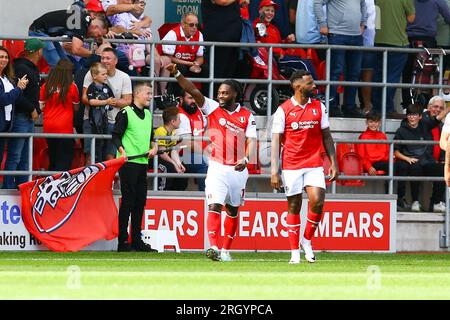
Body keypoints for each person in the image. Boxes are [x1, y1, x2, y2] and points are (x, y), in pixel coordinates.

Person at [166, 63, 257, 262]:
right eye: (219, 93)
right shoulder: (213, 108)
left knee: (232, 210)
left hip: (238, 169)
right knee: (214, 205)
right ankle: (214, 247)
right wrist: (177, 73)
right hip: (216, 166)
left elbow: (251, 140)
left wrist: (246, 158)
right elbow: (192, 90)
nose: (220, 96)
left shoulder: (248, 116)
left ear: (235, 94)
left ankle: (226, 250)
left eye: (225, 93)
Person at [270, 69, 339, 264]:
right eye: (310, 83)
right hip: (291, 164)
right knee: (294, 205)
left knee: (317, 200)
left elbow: (326, 135)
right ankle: (294, 252)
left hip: (314, 162)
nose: (314, 86)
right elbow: (275, 141)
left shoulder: (319, 107)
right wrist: (274, 171)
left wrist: (333, 162)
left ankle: (306, 241)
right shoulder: (283, 110)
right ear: (298, 86)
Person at [112, 81, 158, 252]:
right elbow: (116, 135)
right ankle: (123, 242)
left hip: (142, 164)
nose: (150, 97)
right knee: (128, 202)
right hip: (129, 163)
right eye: (147, 93)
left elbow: (152, 138)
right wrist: (122, 150)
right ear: (137, 94)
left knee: (140, 202)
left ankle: (137, 240)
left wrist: (154, 148)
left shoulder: (148, 114)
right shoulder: (125, 113)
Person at [314, 0, 367, 118]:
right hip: (337, 34)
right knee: (336, 72)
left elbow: (363, 5)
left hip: (356, 36)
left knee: (354, 73)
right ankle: (331, 106)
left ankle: (349, 107)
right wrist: (322, 24)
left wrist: (363, 23)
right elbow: (317, 3)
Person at [3, 39, 43, 189]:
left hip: (26, 118)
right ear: (38, 51)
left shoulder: (26, 67)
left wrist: (36, 109)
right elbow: (17, 95)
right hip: (21, 117)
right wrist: (32, 109)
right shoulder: (22, 68)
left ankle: (22, 188)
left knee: (24, 157)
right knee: (16, 155)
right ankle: (7, 188)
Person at [82, 47, 132, 163]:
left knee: (110, 157)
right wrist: (104, 102)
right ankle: (91, 181)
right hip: (91, 120)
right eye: (102, 58)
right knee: (91, 157)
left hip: (113, 122)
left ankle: (108, 182)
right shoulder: (92, 74)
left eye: (108, 58)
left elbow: (128, 101)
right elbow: (84, 97)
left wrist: (111, 102)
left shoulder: (124, 77)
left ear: (116, 61)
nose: (104, 61)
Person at [394, 103, 445, 212]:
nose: (412, 117)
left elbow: (439, 117)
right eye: (409, 115)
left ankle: (436, 203)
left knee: (442, 169)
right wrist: (408, 159)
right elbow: (396, 152)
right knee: (415, 167)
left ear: (420, 116)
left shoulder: (424, 125)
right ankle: (415, 201)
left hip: (426, 161)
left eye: (414, 115)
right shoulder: (401, 130)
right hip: (411, 162)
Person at [371, 0, 415, 118]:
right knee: (392, 77)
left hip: (378, 40)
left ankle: (376, 108)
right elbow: (411, 18)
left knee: (378, 77)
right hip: (398, 42)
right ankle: (387, 109)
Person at [402, 0, 450, 107]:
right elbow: (448, 17)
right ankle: (425, 104)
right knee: (428, 72)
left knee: (407, 72)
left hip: (408, 38)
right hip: (428, 40)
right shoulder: (438, 1)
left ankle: (406, 103)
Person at [28, 8, 108, 67]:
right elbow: (76, 49)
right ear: (95, 27)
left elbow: (71, 46)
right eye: (98, 35)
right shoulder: (82, 24)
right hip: (38, 31)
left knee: (66, 65)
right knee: (58, 65)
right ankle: (56, 88)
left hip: (49, 35)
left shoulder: (85, 20)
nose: (97, 37)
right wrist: (94, 55)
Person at [39, 59, 80, 172]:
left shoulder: (46, 86)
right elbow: (76, 107)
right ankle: (60, 187)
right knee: (64, 161)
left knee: (53, 158)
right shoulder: (72, 87)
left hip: (48, 127)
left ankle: (51, 185)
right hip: (64, 128)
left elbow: (41, 106)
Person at [161, 12, 209, 96]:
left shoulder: (199, 34)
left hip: (191, 64)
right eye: (191, 25)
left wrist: (196, 65)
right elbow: (169, 58)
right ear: (183, 24)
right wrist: (190, 64)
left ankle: (205, 98)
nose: (194, 28)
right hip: (176, 64)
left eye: (196, 25)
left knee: (206, 69)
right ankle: (177, 98)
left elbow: (200, 57)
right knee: (180, 69)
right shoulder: (173, 33)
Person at [201, 0, 242, 86]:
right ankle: (214, 95)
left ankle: (227, 95)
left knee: (230, 69)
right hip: (218, 35)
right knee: (216, 69)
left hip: (233, 35)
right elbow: (222, 1)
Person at [0, 46, 28, 168]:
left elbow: (13, 98)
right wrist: (18, 88)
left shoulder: (7, 78)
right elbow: (3, 100)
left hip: (5, 125)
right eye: (1, 57)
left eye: (6, 57)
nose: (4, 59)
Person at [175, 90, 209, 191]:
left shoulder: (197, 110)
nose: (193, 101)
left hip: (200, 152)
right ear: (181, 99)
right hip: (183, 155)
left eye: (195, 98)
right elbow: (187, 144)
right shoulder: (180, 115)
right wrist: (207, 153)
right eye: (190, 98)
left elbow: (207, 126)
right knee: (205, 163)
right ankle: (206, 197)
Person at [86, 62, 115, 161]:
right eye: (103, 74)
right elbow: (91, 101)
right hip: (94, 120)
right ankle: (97, 164)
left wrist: (112, 102)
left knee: (105, 144)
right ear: (94, 76)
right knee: (96, 145)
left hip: (105, 119)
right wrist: (106, 101)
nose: (105, 76)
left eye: (106, 74)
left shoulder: (106, 87)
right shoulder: (92, 87)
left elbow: (112, 98)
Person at [152, 106, 186, 191]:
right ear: (173, 121)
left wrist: (178, 164)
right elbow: (161, 153)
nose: (180, 121)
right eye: (179, 119)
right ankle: (162, 192)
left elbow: (173, 150)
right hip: (155, 158)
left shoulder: (173, 132)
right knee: (169, 168)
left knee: (182, 171)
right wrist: (174, 164)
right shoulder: (160, 131)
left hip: (165, 158)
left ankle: (176, 195)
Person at [356, 111, 390, 193]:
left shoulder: (383, 136)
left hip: (383, 163)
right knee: (392, 167)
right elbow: (360, 156)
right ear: (366, 122)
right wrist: (368, 167)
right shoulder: (363, 137)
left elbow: (388, 153)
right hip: (371, 164)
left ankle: (394, 196)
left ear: (380, 123)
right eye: (371, 122)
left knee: (399, 166)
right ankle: (389, 194)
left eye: (376, 122)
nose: (373, 124)